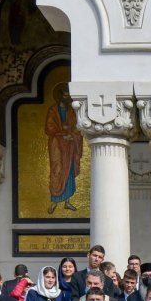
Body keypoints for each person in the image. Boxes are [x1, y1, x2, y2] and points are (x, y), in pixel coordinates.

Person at [45, 82, 82, 213]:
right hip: (57, 146)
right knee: (57, 169)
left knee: (69, 170)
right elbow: (49, 128)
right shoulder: (53, 111)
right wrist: (62, 133)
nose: (66, 99)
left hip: (70, 146)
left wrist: (71, 135)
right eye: (64, 96)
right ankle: (54, 202)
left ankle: (67, 202)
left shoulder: (72, 111)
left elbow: (78, 128)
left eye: (68, 96)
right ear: (59, 97)